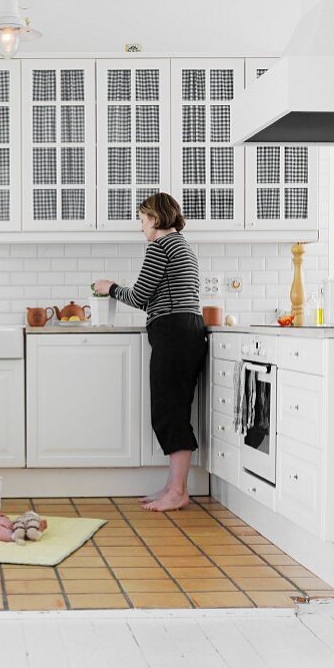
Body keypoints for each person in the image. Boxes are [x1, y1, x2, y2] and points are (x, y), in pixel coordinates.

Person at [94, 192, 207, 512]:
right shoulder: (182, 245)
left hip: (174, 333)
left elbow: (141, 296)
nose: (141, 227)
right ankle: (173, 487)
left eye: (143, 221)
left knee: (170, 411)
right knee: (174, 409)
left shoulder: (160, 246)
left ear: (156, 219)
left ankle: (179, 491)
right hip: (186, 331)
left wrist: (110, 288)